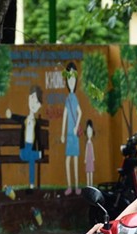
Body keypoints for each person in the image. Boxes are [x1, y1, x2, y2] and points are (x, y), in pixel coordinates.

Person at [61, 62, 82, 195]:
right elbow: (64, 116)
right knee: (68, 159)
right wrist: (63, 133)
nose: (72, 82)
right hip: (69, 133)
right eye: (69, 79)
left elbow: (80, 112)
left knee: (75, 159)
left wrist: (76, 127)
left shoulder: (74, 98)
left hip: (74, 133)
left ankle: (76, 185)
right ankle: (69, 185)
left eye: (73, 79)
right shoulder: (68, 99)